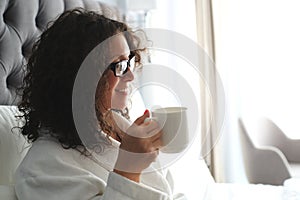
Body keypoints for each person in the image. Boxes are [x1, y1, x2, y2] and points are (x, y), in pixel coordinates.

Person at [15, 8, 186, 200]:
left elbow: (168, 191)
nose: (130, 75)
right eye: (118, 65)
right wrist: (128, 168)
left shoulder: (121, 129)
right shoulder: (42, 170)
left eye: (129, 61)